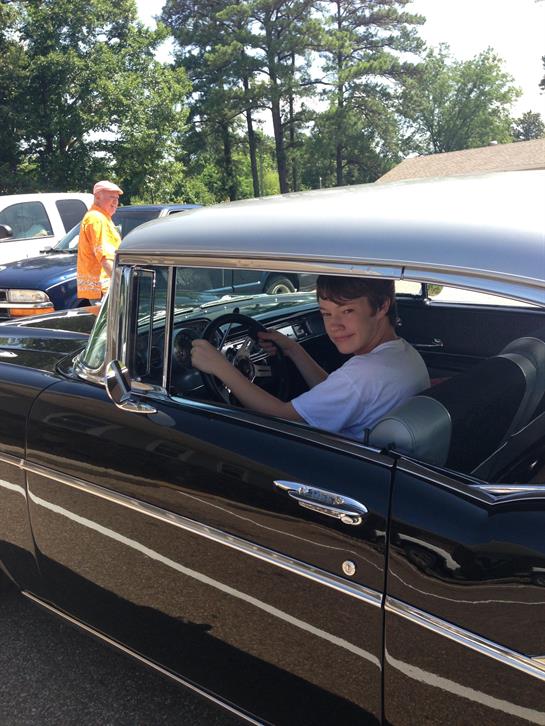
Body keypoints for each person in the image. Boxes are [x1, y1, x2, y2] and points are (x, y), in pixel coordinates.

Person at [191, 275, 430, 440]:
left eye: (347, 311)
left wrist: (221, 367)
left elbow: (283, 418)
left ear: (381, 307)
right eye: (326, 313)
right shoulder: (403, 353)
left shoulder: (363, 375)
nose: (334, 326)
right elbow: (339, 394)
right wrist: (293, 349)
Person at [77, 180, 123, 301]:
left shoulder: (100, 217)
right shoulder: (97, 218)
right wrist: (123, 284)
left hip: (101, 288)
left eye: (117, 198)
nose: (115, 202)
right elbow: (105, 258)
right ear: (97, 197)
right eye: (111, 197)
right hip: (104, 289)